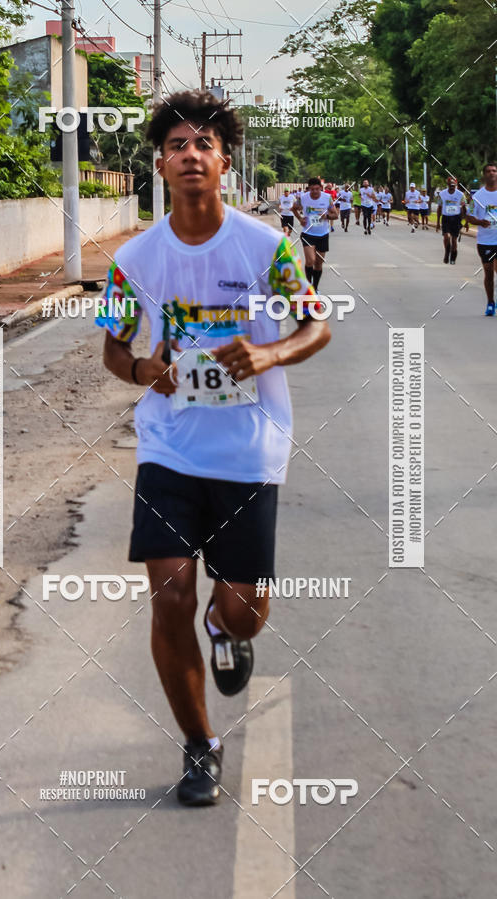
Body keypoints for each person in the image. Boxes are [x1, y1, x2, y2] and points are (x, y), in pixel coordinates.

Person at [97, 90, 331, 805]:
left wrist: (268, 355)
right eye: (177, 145)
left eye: (205, 144)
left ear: (225, 161)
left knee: (243, 609)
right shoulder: (133, 259)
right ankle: (200, 746)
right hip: (169, 448)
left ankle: (226, 630)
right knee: (169, 593)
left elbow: (316, 325)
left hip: (249, 450)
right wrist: (144, 370)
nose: (191, 155)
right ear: (160, 164)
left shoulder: (266, 248)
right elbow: (113, 349)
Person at [466, 162, 497, 315]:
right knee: (489, 272)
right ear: (484, 175)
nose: (492, 173)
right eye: (489, 171)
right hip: (485, 241)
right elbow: (469, 216)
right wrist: (480, 222)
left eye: (494, 171)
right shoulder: (477, 197)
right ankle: (490, 302)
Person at [297, 176, 338, 288]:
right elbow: (294, 208)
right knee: (310, 260)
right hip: (308, 234)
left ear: (321, 188)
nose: (315, 191)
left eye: (317, 189)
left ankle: (315, 287)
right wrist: (300, 219)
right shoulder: (303, 198)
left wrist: (326, 216)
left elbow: (335, 215)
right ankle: (308, 286)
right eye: (312, 189)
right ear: (309, 189)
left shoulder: (327, 198)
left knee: (318, 264)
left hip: (323, 234)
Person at [436, 177, 466, 265]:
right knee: (446, 237)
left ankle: (453, 257)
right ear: (447, 184)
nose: (452, 187)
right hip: (446, 218)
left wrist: (465, 221)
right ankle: (447, 252)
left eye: (453, 185)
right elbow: (439, 208)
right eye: (450, 185)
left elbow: (464, 208)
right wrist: (437, 222)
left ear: (456, 185)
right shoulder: (442, 194)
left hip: (456, 218)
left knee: (454, 240)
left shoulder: (461, 195)